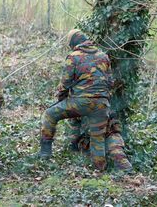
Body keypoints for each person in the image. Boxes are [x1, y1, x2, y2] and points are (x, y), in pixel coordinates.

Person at [39, 29, 113, 170]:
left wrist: (61, 99)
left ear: (73, 43)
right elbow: (110, 83)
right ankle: (100, 171)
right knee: (97, 138)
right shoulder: (104, 56)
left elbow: (65, 84)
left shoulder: (73, 56)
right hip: (102, 104)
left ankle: (45, 155)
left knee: (49, 115)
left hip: (80, 103)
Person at [67, 112, 133, 171]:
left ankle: (129, 174)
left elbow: (118, 124)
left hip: (109, 135)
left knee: (118, 156)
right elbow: (74, 130)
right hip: (91, 139)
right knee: (98, 167)